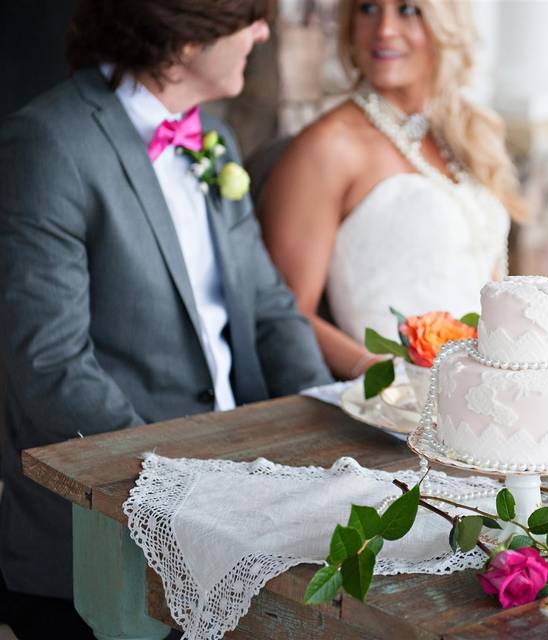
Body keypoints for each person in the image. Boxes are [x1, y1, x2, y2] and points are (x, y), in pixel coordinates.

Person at [0, 0, 332, 636]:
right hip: (106, 532)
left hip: (249, 505)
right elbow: (51, 369)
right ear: (183, 39)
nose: (263, 33)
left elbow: (270, 310)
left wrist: (320, 435)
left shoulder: (214, 137)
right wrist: (188, 491)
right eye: (249, 19)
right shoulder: (47, 143)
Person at [259, 0, 527, 380]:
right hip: (400, 403)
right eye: (368, 8)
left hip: (484, 386)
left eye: (408, 10)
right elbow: (286, 313)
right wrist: (388, 381)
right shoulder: (327, 149)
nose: (383, 29)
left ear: (445, 21)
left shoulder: (466, 132)